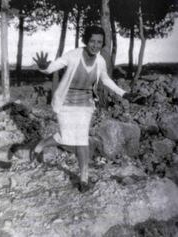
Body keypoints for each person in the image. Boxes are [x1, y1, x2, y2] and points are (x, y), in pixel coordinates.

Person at [31, 26, 136, 192]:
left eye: (99, 42)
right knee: (66, 138)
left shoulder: (100, 61)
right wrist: (44, 67)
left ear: (102, 44)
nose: (95, 45)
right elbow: (53, 67)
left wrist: (124, 94)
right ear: (86, 41)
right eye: (92, 41)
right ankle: (41, 145)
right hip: (65, 102)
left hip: (85, 104)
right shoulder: (73, 55)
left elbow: (106, 80)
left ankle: (84, 179)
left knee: (81, 139)